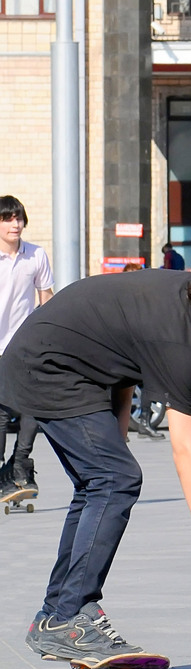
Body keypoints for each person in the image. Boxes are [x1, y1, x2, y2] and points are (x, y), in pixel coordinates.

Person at [0, 252, 191, 663]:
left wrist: (114, 446)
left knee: (102, 482)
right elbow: (185, 449)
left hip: (56, 363)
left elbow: (120, 362)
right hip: (48, 369)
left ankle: (56, 615)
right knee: (115, 480)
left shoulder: (186, 297)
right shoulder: (179, 339)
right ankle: (68, 620)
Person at [0, 195, 54, 503]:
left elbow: (46, 297)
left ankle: (20, 462)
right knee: (1, 411)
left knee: (33, 404)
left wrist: (50, 339)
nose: (15, 224)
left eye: (19, 218)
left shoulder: (36, 255)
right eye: (8, 218)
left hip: (23, 345)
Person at [120, 263, 165, 440]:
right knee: (121, 387)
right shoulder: (120, 298)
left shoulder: (146, 299)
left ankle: (144, 423)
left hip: (141, 349)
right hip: (124, 349)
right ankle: (121, 430)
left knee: (147, 384)